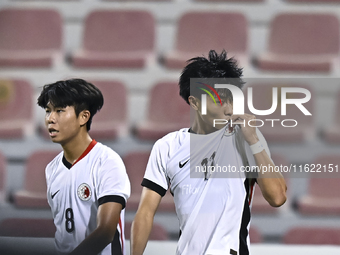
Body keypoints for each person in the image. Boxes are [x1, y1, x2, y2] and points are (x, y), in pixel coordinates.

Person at [131, 50, 287, 255]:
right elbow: (145, 212)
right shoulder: (167, 147)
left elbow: (277, 197)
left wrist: (254, 141)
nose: (229, 109)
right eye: (221, 100)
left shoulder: (245, 138)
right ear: (194, 102)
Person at [37, 79, 131, 255]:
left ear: (84, 117)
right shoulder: (52, 169)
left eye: (59, 111)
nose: (50, 119)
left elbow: (105, 233)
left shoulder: (107, 161)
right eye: (48, 111)